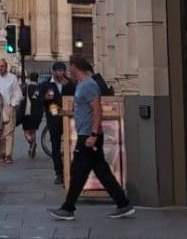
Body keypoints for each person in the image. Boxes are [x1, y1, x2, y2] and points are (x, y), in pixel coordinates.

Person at [49, 56, 134, 220]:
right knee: (102, 172)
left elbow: (97, 110)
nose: (68, 71)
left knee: (77, 172)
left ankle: (68, 208)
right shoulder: (81, 85)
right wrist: (64, 113)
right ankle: (123, 203)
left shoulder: (88, 85)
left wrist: (94, 134)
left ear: (76, 67)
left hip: (88, 136)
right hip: (87, 134)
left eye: (70, 67)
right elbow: (83, 110)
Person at [39, 62, 71, 184]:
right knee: (55, 146)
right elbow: (42, 101)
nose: (60, 73)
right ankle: (59, 172)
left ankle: (70, 170)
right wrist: (53, 109)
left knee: (70, 144)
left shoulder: (68, 83)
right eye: (58, 71)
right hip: (54, 120)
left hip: (68, 118)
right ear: (53, 71)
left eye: (62, 70)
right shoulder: (47, 85)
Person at [0, 57, 23, 163]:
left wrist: (13, 104)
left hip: (8, 107)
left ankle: (8, 155)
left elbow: (17, 93)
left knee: (9, 132)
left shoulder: (12, 78)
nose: (0, 68)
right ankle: (1, 153)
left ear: (6, 67)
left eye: (2, 66)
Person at [20, 72, 44, 158]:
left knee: (26, 132)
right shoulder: (40, 88)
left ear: (30, 78)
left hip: (28, 112)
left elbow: (21, 98)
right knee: (33, 131)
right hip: (37, 113)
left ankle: (32, 143)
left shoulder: (26, 87)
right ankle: (32, 146)